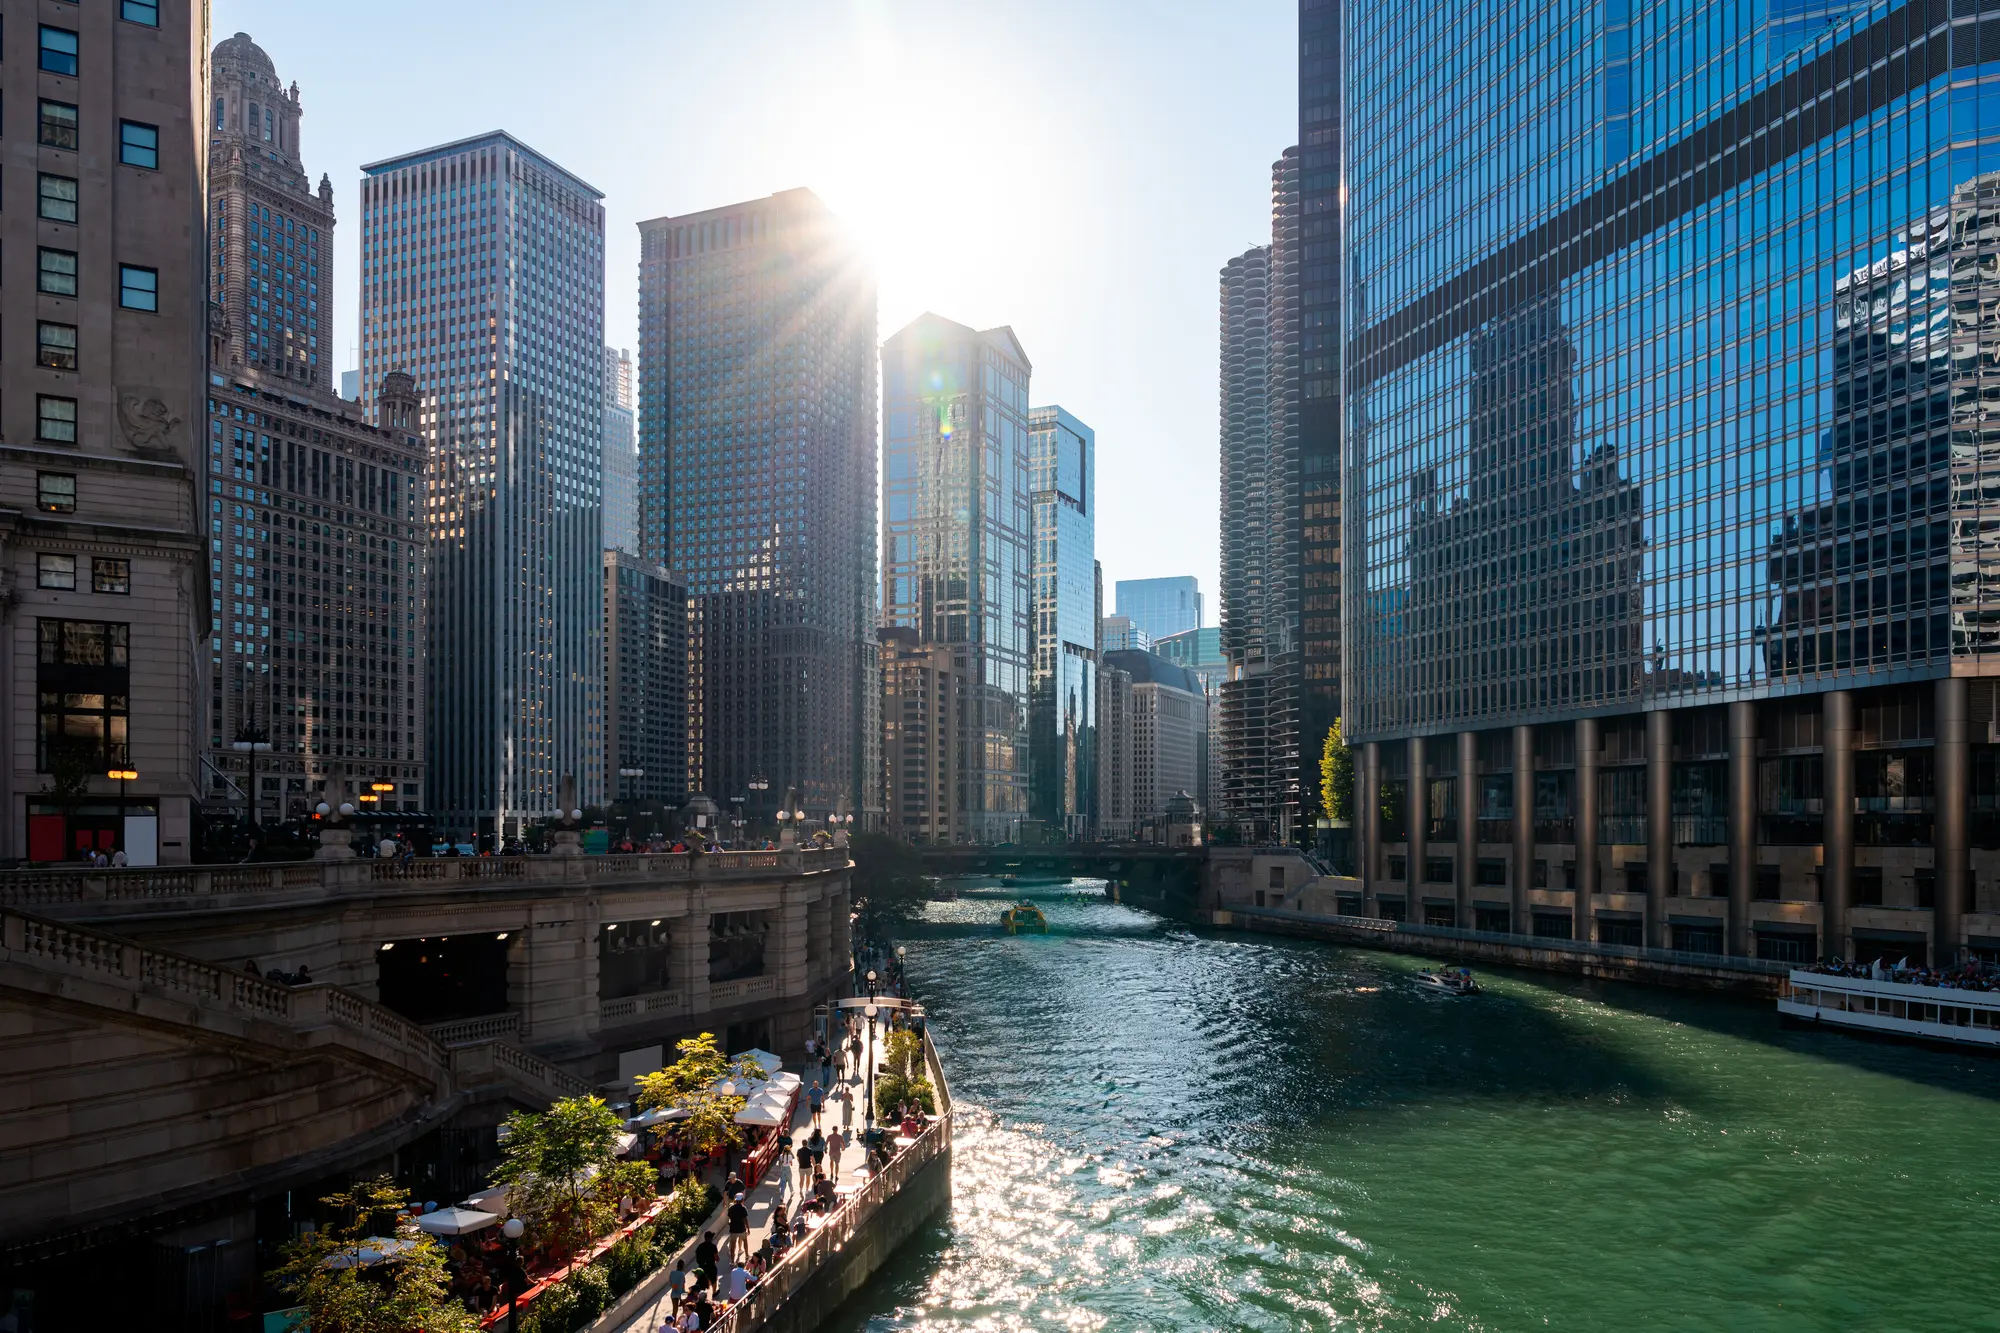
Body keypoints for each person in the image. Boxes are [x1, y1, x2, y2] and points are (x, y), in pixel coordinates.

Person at [725, 1192, 749, 1263]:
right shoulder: (743, 1208)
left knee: (733, 1245)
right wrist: (748, 1228)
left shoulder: (731, 1208)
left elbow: (729, 1217)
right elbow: (745, 1219)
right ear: (742, 1200)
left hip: (733, 1229)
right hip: (742, 1229)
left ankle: (732, 1261)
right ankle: (747, 1255)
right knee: (745, 1242)